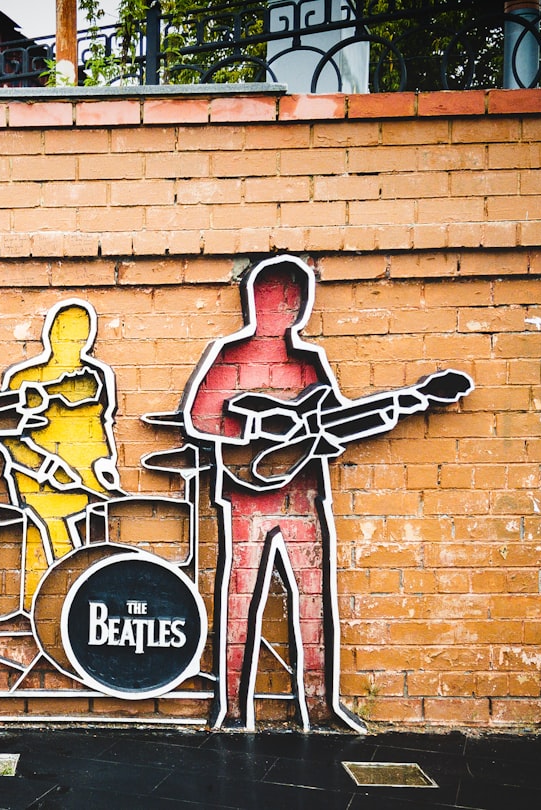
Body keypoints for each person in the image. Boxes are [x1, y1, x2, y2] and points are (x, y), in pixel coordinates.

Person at [180, 255, 364, 731]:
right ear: (253, 302)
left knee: (313, 600)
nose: (283, 310)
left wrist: (324, 434)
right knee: (239, 597)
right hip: (245, 496)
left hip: (303, 495)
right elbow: (199, 419)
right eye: (273, 299)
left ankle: (320, 706)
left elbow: (330, 422)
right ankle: (234, 706)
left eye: (291, 302)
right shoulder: (230, 356)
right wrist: (257, 430)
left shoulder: (310, 363)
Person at [0, 299, 124, 610]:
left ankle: (92, 600)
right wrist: (44, 467)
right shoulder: (23, 379)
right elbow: (7, 436)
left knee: (106, 523)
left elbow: (102, 422)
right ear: (51, 333)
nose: (73, 339)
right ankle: (64, 603)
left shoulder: (95, 376)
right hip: (35, 474)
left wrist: (105, 462)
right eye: (65, 330)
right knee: (55, 525)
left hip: (86, 472)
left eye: (82, 333)